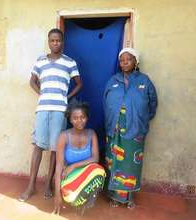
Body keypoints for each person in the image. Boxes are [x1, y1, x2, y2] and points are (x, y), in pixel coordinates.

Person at [19, 28, 82, 202]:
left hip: (60, 110)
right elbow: (32, 81)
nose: (56, 43)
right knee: (38, 146)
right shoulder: (40, 61)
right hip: (43, 108)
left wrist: (66, 97)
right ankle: (31, 186)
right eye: (52, 40)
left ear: (63, 42)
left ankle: (48, 184)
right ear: (49, 42)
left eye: (58, 40)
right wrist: (42, 93)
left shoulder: (70, 62)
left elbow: (79, 84)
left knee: (55, 148)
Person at [103, 47, 157, 209]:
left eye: (129, 59)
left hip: (135, 130)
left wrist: (142, 120)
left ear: (136, 62)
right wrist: (111, 119)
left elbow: (153, 103)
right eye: (122, 60)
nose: (125, 62)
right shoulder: (113, 81)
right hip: (114, 129)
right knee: (113, 162)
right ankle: (114, 196)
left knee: (130, 164)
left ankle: (129, 197)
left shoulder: (144, 81)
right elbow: (104, 102)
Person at [53, 102, 106, 215]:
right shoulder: (64, 136)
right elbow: (58, 167)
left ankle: (86, 203)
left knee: (99, 171)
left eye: (82, 117)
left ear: (87, 118)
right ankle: (79, 201)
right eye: (75, 118)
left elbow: (95, 158)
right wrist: (57, 195)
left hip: (86, 174)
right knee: (69, 197)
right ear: (70, 120)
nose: (79, 121)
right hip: (69, 176)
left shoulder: (91, 134)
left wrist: (74, 165)